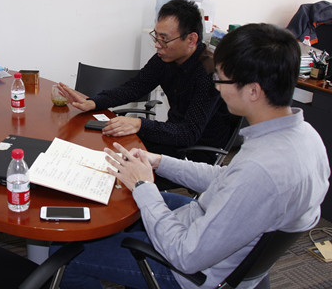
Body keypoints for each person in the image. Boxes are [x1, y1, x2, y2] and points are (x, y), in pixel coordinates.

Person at [51, 23, 330, 289]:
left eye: (221, 79)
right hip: (202, 220)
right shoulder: (304, 137)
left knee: (63, 254)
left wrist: (143, 186)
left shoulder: (261, 170)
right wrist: (158, 161)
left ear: (253, 91)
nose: (217, 86)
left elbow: (185, 254)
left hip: (188, 270)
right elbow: (226, 178)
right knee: (118, 206)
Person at [58, 0, 234, 156]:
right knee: (104, 144)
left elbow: (188, 133)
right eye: (156, 36)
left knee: (118, 156)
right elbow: (134, 88)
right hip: (172, 138)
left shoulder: (209, 73)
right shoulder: (165, 58)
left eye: (164, 39)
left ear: (191, 40)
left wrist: (139, 124)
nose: (157, 44)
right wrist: (94, 102)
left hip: (196, 152)